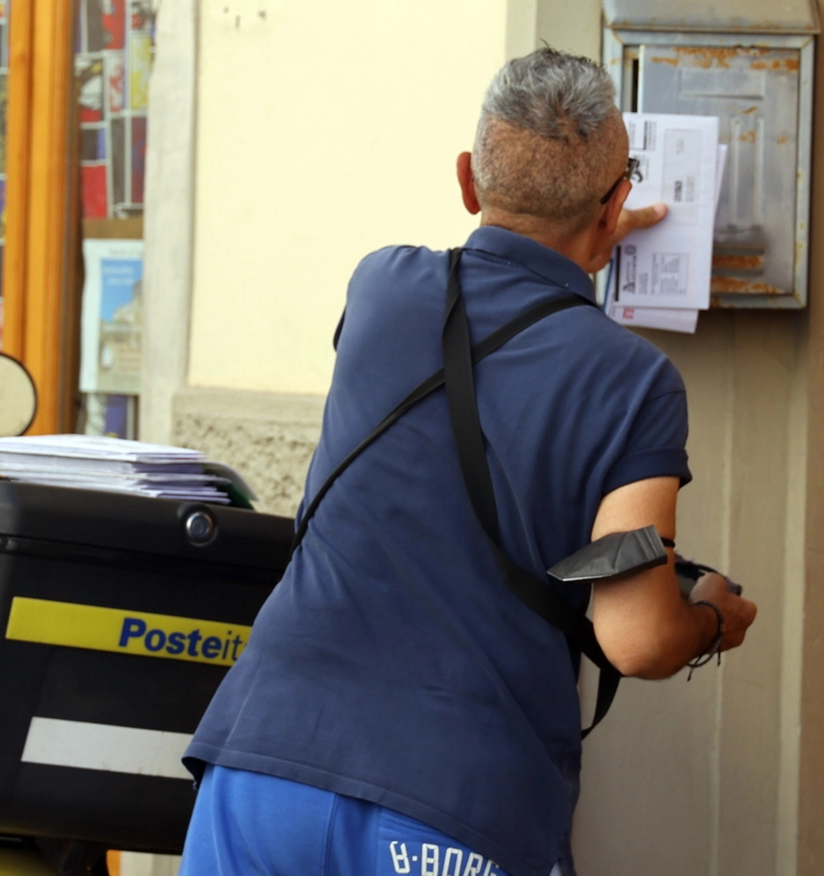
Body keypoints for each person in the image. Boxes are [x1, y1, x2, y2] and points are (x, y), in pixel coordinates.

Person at [179, 47, 759, 876]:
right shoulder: (633, 381)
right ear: (617, 204)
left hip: (266, 765)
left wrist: (579, 237)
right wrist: (709, 619)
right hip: (454, 804)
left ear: (465, 180)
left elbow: (481, 368)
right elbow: (633, 637)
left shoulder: (382, 288)